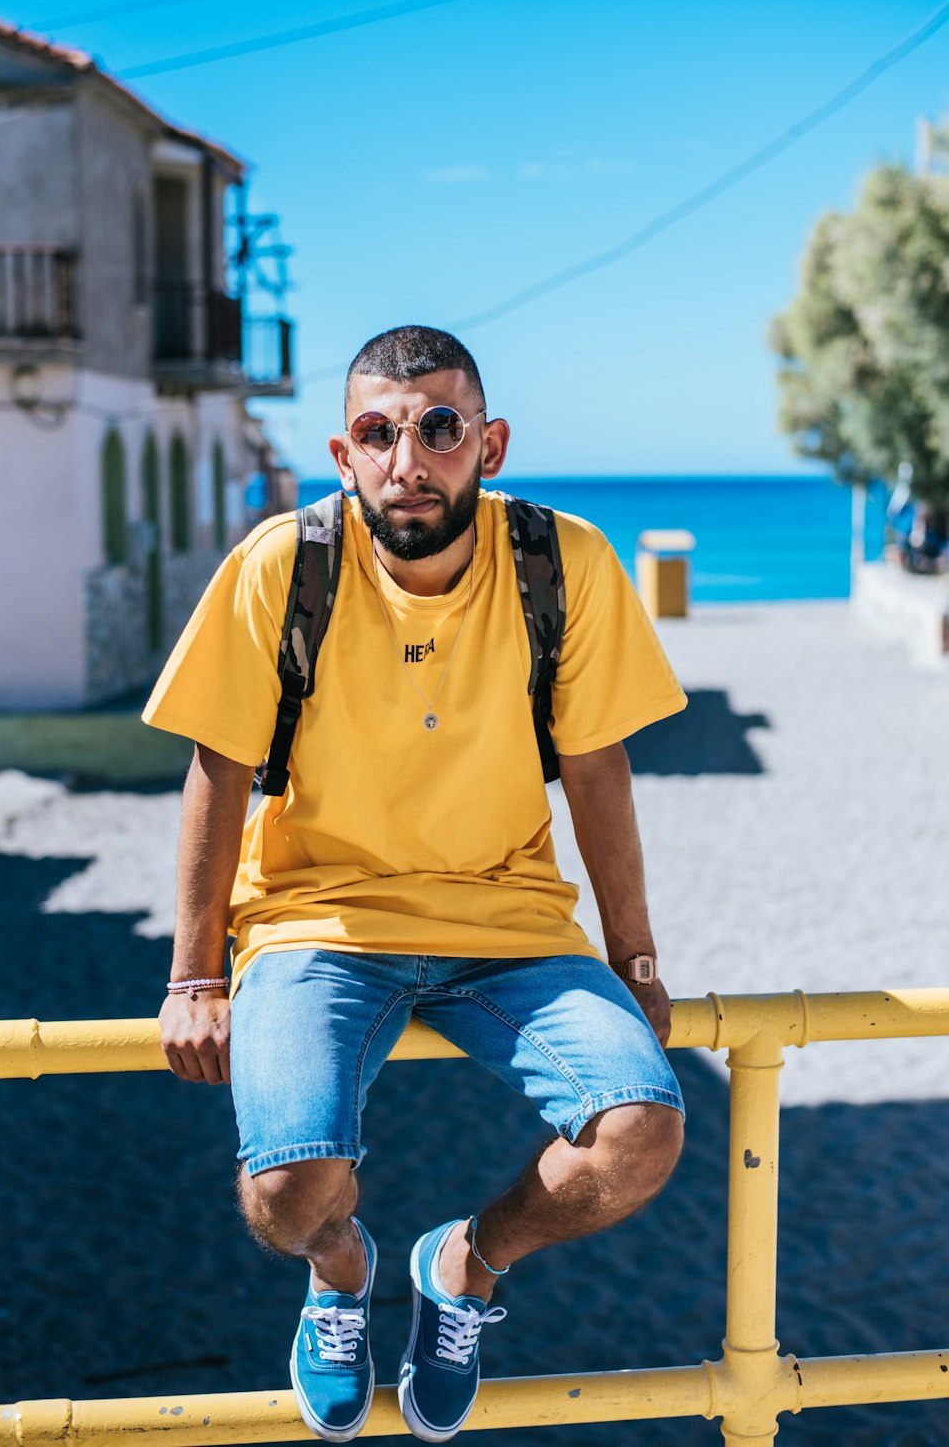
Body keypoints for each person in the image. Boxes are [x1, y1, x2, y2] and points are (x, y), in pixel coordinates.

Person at [144, 325, 688, 1444]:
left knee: (641, 1133)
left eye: (439, 428)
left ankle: (465, 1264)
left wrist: (634, 960)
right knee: (286, 1193)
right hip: (317, 920)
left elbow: (595, 767)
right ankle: (343, 1277)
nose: (410, 459)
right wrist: (194, 973)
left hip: (512, 923)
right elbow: (218, 768)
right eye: (381, 434)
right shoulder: (280, 566)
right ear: (344, 454)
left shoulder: (562, 561)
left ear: (486, 444)